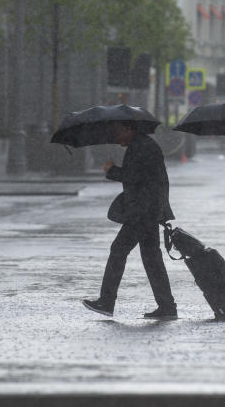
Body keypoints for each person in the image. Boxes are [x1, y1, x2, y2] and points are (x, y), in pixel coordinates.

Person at [83, 121, 177, 319]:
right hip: (147, 210)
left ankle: (106, 302)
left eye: (117, 131)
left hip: (142, 212)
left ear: (130, 129)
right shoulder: (142, 144)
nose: (115, 137)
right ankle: (167, 306)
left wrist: (111, 170)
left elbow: (134, 177)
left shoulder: (141, 147)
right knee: (152, 258)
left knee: (119, 250)